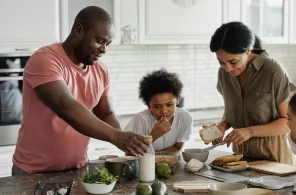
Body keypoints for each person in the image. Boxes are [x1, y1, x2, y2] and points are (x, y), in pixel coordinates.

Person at [12, 6, 149, 175]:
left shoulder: (100, 70)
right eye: (99, 41)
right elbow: (66, 106)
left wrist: (125, 141)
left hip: (78, 170)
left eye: (107, 44)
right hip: (32, 173)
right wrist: (115, 136)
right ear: (78, 30)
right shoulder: (45, 59)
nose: (104, 49)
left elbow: (105, 113)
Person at [208, 21, 296, 164]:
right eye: (221, 62)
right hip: (240, 161)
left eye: (233, 62)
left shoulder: (272, 71)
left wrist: (250, 131)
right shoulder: (224, 74)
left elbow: (289, 121)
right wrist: (222, 126)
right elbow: (234, 111)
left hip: (274, 160)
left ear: (248, 50)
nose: (228, 69)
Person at [125, 68, 192, 154]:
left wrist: (152, 153)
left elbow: (177, 149)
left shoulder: (184, 118)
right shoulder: (141, 119)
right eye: (157, 107)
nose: (164, 111)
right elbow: (130, 153)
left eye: (169, 105)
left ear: (177, 100)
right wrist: (154, 135)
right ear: (148, 105)